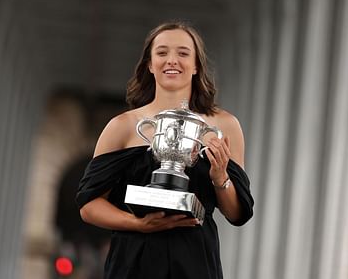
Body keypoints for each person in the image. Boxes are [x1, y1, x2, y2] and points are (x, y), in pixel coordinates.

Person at [75, 21, 254, 279]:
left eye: (183, 53)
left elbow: (237, 214)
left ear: (196, 66)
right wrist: (139, 224)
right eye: (162, 53)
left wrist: (220, 177)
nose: (172, 60)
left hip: (195, 264)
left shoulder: (224, 126)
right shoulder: (122, 126)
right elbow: (89, 206)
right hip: (133, 263)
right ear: (149, 64)